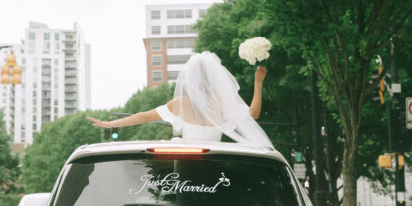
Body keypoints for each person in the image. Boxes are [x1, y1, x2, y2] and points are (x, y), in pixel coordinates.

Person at [88, 50, 273, 148]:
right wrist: (258, 82)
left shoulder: (181, 103)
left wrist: (110, 124)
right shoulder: (222, 103)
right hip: (215, 160)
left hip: (185, 162)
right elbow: (254, 114)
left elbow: (144, 117)